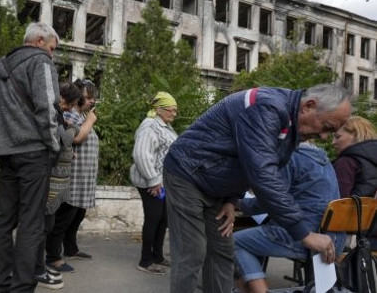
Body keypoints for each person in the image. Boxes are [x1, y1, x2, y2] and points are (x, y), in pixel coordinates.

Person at [163, 83, 351, 293]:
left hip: (216, 184)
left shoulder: (292, 126)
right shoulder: (266, 107)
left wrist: (232, 199)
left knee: (222, 250)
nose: (325, 137)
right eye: (326, 127)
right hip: (187, 172)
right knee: (192, 251)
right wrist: (304, 234)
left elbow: (245, 160)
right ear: (309, 105)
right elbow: (262, 173)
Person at [0, 22, 61, 293]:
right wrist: (53, 146)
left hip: (5, 153)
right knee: (31, 222)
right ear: (40, 41)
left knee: (4, 221)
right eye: (52, 48)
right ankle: (22, 288)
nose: (53, 55)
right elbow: (48, 108)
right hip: (33, 152)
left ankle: (1, 285)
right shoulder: (40, 63)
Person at [233, 142, 345, 293]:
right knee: (251, 243)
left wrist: (237, 203)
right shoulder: (324, 161)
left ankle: (258, 290)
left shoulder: (290, 158)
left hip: (302, 236)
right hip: (332, 239)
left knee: (234, 242)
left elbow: (269, 201)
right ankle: (246, 287)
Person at [45, 78, 98, 273]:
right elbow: (74, 137)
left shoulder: (80, 116)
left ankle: (70, 248)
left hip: (82, 177)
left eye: (93, 98)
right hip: (71, 177)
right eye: (87, 97)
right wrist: (91, 122)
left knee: (76, 215)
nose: (91, 101)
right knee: (62, 219)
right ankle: (53, 257)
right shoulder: (74, 114)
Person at [34, 81, 83, 289]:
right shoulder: (51, 111)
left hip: (54, 179)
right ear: (61, 96)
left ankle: (36, 267)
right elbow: (63, 138)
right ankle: (35, 269)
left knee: (47, 224)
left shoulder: (57, 112)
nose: (69, 108)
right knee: (42, 226)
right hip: (48, 178)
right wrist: (75, 129)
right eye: (68, 103)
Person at [130, 92, 178, 275]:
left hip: (161, 183)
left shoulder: (164, 125)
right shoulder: (150, 126)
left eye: (175, 110)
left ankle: (157, 256)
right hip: (150, 183)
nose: (174, 114)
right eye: (171, 110)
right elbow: (142, 155)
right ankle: (145, 260)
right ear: (159, 110)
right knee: (154, 218)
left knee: (163, 218)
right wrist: (154, 181)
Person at [331, 115, 377, 198]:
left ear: (355, 135)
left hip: (351, 210)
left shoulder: (346, 162)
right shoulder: (373, 159)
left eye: (338, 137)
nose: (333, 142)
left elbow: (339, 201)